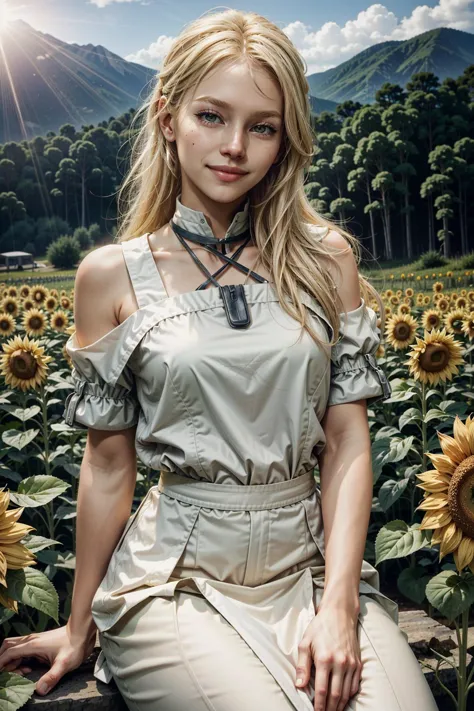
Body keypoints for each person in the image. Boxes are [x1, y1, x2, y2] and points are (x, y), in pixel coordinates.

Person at [0, 9, 439, 711]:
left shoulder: (327, 258)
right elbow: (108, 465)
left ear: (284, 139)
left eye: (262, 126)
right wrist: (79, 624)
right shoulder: (110, 276)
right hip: (175, 580)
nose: (235, 146)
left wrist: (339, 607)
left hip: (312, 568)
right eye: (211, 116)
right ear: (169, 119)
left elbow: (348, 440)